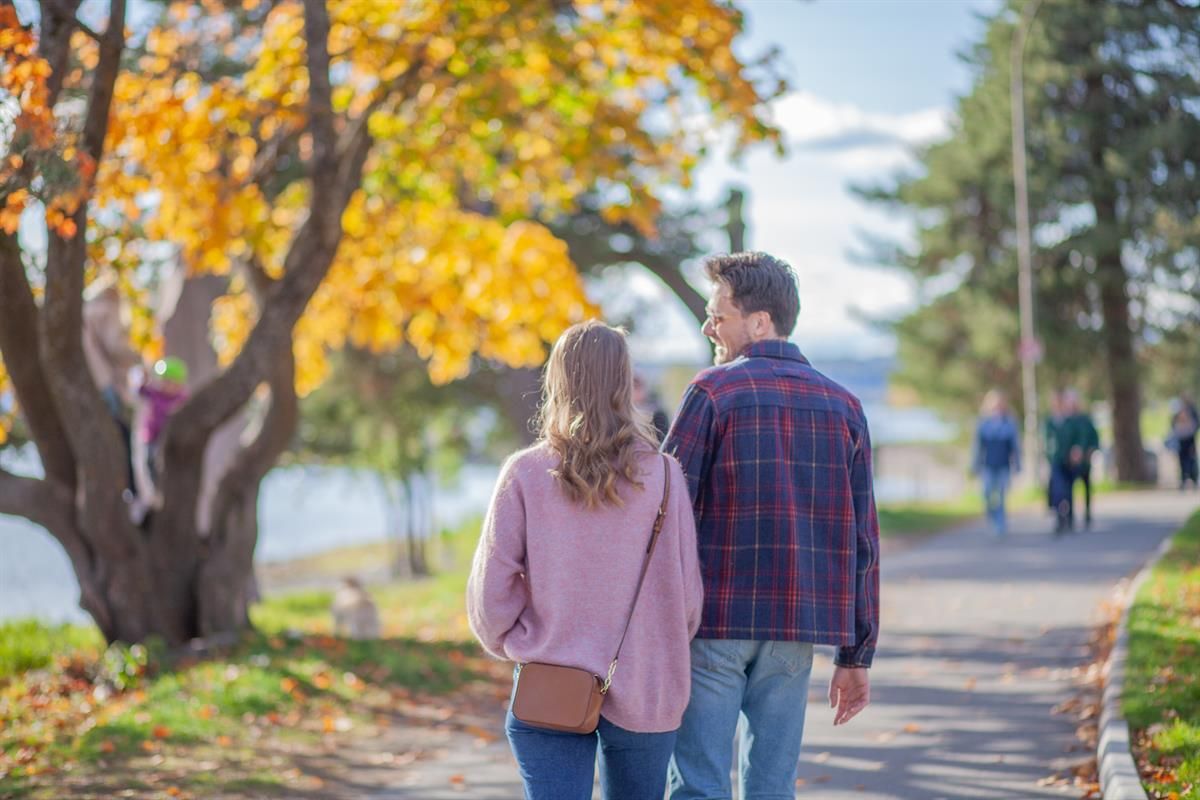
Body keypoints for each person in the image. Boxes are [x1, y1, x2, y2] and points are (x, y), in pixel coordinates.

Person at [663, 252, 880, 800]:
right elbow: (863, 545)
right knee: (772, 787)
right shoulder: (845, 407)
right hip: (796, 625)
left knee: (698, 786)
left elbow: (662, 516)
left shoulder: (712, 393)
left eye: (719, 314)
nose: (708, 326)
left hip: (714, 621)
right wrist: (856, 656)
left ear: (760, 323)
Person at [467, 321, 703, 800]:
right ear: (624, 381)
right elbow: (687, 598)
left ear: (557, 380)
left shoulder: (526, 473)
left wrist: (521, 642)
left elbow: (489, 595)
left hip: (550, 678)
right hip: (647, 686)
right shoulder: (663, 475)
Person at [81, 276, 140, 489]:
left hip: (90, 384)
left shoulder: (85, 311)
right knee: (122, 436)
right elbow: (116, 346)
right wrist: (139, 357)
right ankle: (131, 489)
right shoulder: (108, 309)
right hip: (106, 383)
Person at [130, 356, 189, 522]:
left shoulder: (181, 398)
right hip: (151, 436)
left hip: (168, 438)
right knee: (149, 463)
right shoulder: (155, 393)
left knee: (164, 463)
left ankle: (166, 491)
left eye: (169, 381)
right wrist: (143, 378)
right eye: (162, 380)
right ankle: (155, 492)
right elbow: (139, 390)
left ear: (178, 384)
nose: (164, 385)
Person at [972, 389, 1021, 536]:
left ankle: (1000, 524)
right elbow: (977, 446)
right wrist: (975, 465)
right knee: (986, 493)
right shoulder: (983, 423)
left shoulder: (1009, 423)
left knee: (1001, 495)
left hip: (1003, 465)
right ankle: (992, 516)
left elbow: (1015, 446)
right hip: (988, 465)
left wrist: (1018, 464)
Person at [1051, 389, 1100, 533]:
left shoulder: (1084, 420)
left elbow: (1093, 437)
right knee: (1067, 489)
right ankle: (1069, 518)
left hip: (1084, 462)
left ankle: (1087, 513)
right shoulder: (1064, 420)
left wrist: (1089, 449)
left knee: (1086, 487)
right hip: (1069, 462)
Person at [1169, 394, 1199, 489]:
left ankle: (1193, 479)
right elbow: (1173, 424)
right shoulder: (1177, 410)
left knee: (1192, 460)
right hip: (1181, 440)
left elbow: (1197, 424)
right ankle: (1183, 480)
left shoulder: (1191, 410)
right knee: (1182, 461)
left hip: (1190, 440)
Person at [633, 371, 670, 444]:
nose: (634, 392)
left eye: (637, 387)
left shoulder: (658, 413)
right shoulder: (624, 413)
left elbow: (663, 439)